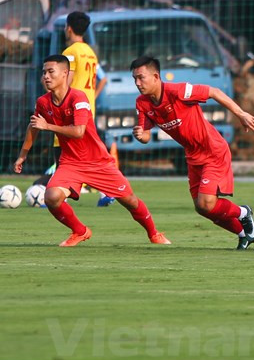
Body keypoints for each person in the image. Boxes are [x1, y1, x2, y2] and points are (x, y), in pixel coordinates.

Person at [12, 55, 170, 247]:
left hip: (98, 162)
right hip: (70, 163)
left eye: (50, 72)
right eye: (44, 72)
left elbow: (78, 132)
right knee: (51, 197)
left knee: (130, 201)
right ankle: (80, 231)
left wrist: (48, 126)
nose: (46, 76)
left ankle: (154, 234)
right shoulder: (43, 102)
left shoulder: (78, 97)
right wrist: (23, 155)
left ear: (64, 74)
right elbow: (34, 126)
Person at [130, 56, 254, 250]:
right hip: (192, 156)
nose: (137, 83)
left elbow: (214, 92)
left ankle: (243, 212)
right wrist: (140, 135)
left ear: (156, 76)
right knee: (202, 208)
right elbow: (146, 136)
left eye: (141, 78)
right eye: (134, 79)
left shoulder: (178, 91)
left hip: (213, 150)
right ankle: (243, 234)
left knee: (207, 202)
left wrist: (240, 114)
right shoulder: (142, 103)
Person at [61, 10, 110, 204]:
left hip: (72, 110)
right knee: (88, 152)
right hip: (88, 108)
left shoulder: (70, 52)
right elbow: (103, 79)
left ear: (69, 28)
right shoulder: (90, 52)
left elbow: (67, 80)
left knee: (66, 153)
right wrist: (92, 98)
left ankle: (58, 192)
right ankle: (105, 189)